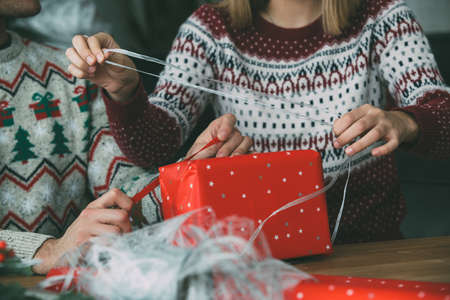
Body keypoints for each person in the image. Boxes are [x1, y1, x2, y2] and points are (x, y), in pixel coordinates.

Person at [67, 0, 450, 245]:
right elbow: (155, 146)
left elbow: (442, 114)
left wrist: (405, 122)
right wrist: (125, 91)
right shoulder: (210, 28)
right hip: (248, 256)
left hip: (370, 250)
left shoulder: (382, 16)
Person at [0, 0, 250, 274]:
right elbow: (56, 252)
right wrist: (46, 251)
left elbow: (123, 195)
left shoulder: (69, 73)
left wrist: (188, 177)